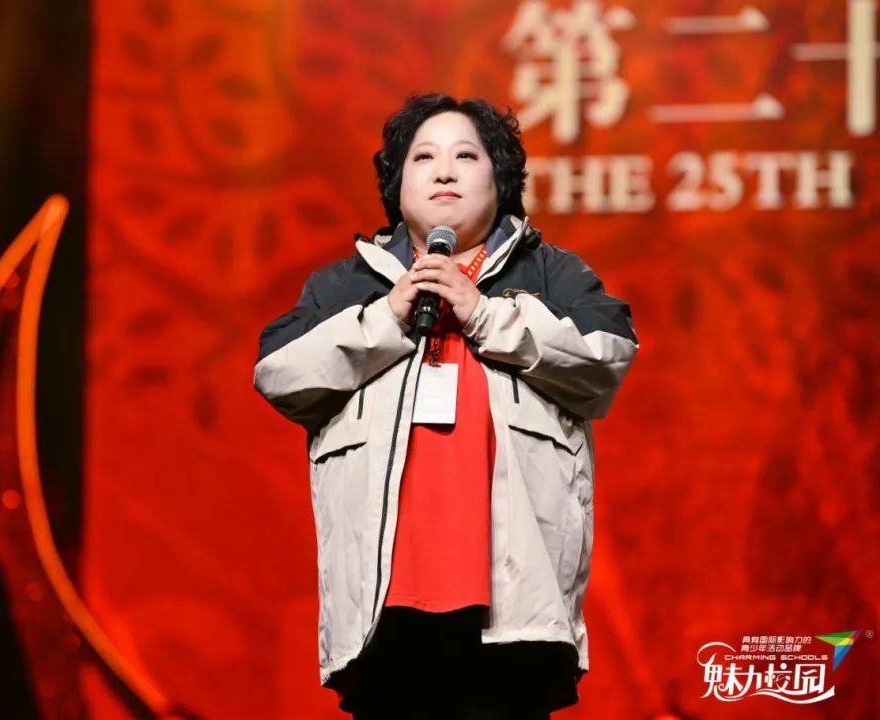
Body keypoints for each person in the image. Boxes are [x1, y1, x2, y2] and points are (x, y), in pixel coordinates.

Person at [253, 94, 638, 719]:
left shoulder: (550, 274)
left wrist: (484, 314)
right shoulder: (348, 286)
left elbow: (606, 358)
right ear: (397, 183)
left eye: (466, 156)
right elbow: (279, 374)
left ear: (500, 180)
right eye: (423, 157)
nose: (444, 172)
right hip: (382, 615)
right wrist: (386, 318)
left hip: (513, 616)